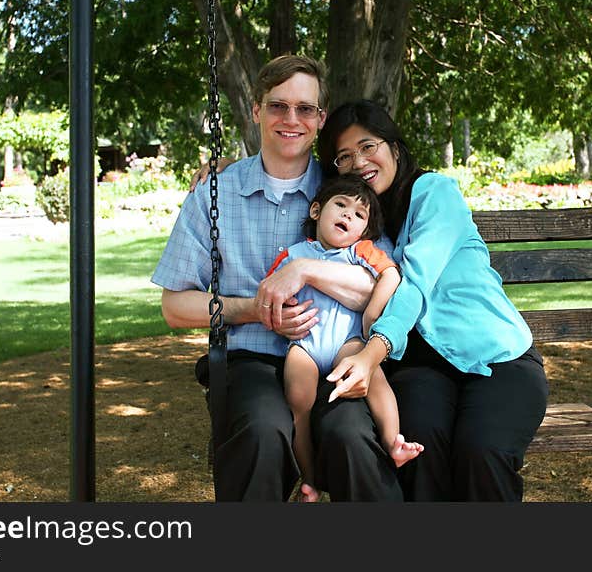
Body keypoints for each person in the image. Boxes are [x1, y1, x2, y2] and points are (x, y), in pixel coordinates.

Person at [151, 56, 404, 502]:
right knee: (263, 429)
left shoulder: (344, 195)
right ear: (255, 110)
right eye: (277, 106)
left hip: (333, 355)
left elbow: (377, 287)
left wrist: (304, 269)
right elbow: (175, 308)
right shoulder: (216, 193)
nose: (291, 119)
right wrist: (253, 309)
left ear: (320, 119)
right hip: (252, 358)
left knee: (351, 436)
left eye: (305, 109)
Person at [304, 99, 550, 501]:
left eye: (369, 147)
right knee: (418, 450)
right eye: (344, 156)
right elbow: (294, 168)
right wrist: (228, 167)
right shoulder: (359, 220)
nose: (359, 161)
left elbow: (414, 283)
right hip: (422, 368)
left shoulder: (435, 193)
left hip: (497, 359)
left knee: (481, 453)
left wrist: (371, 354)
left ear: (394, 149)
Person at [267, 174, 423, 501]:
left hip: (347, 342)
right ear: (316, 211)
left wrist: (371, 314)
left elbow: (391, 274)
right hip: (305, 344)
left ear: (363, 231)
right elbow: (270, 292)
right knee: (299, 406)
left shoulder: (359, 252)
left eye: (359, 214)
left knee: (375, 378)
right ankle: (309, 479)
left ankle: (394, 440)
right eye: (341, 205)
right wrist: (285, 311)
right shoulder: (292, 255)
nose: (348, 215)